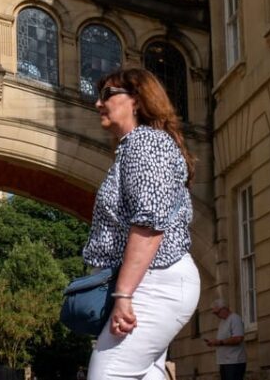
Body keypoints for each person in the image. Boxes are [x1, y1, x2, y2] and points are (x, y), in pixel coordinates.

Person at [82, 67, 200, 380]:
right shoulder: (135, 147)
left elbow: (149, 225)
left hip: (155, 282)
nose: (98, 104)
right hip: (152, 282)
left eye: (107, 95)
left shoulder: (145, 144)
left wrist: (124, 295)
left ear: (136, 100)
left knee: (107, 374)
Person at [205, 299, 246, 380]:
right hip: (224, 362)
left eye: (217, 312)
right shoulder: (222, 322)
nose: (216, 315)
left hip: (234, 362)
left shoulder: (235, 318)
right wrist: (214, 342)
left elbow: (238, 338)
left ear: (224, 308)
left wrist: (219, 342)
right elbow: (223, 340)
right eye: (215, 313)